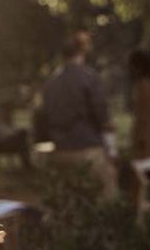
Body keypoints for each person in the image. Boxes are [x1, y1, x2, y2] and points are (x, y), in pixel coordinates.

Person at [43, 31, 117, 198]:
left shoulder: (51, 83)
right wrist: (112, 148)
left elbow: (45, 116)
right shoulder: (89, 77)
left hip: (60, 150)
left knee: (72, 201)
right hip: (87, 149)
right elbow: (102, 115)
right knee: (106, 197)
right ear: (83, 50)